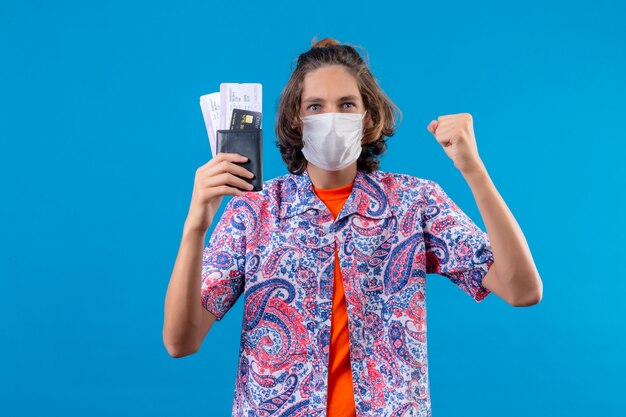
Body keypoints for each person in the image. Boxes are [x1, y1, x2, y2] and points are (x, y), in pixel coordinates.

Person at [163, 36, 543, 417]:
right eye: (315, 106)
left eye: (346, 104)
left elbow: (522, 289)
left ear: (367, 116)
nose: (331, 117)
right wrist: (196, 224)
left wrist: (473, 170)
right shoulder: (254, 213)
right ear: (297, 118)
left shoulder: (415, 202)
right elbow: (181, 341)